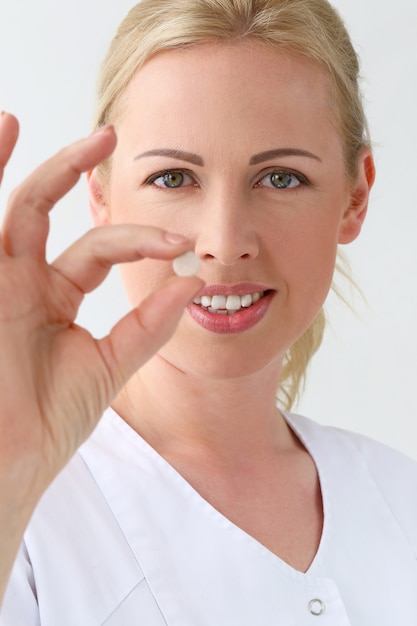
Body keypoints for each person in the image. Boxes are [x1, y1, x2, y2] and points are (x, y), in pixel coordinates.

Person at [0, 0, 416, 623]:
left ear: (355, 197)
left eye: (279, 178)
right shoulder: (27, 512)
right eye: (173, 179)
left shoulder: (400, 498)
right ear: (102, 197)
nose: (223, 240)